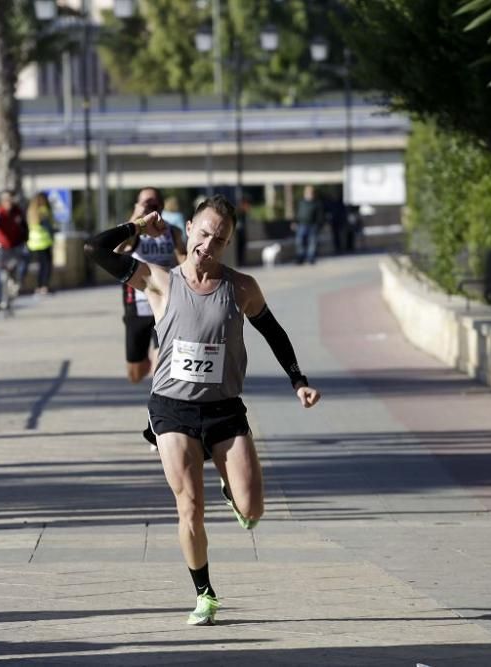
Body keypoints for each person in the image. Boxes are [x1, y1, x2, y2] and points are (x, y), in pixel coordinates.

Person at [84, 195, 321, 626]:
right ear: (189, 228)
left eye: (220, 239)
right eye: (205, 232)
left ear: (228, 243)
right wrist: (137, 226)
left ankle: (234, 493)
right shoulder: (159, 281)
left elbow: (274, 332)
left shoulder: (242, 287)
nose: (209, 244)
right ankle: (204, 593)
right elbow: (94, 250)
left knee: (253, 511)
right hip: (172, 410)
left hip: (224, 409)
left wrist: (298, 381)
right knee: (189, 505)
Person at [117, 187, 186, 384]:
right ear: (137, 205)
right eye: (146, 203)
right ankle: (143, 362)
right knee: (135, 374)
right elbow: (116, 250)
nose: (150, 207)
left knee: (161, 366)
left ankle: (160, 392)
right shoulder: (131, 231)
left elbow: (184, 260)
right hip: (137, 304)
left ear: (162, 207)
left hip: (165, 304)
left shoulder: (172, 232)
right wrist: (136, 219)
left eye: (154, 204)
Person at [0, 190, 29, 309]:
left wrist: (26, 241)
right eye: (5, 200)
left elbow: (25, 228)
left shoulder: (18, 212)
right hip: (2, 246)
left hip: (16, 245)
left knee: (24, 260)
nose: (8, 202)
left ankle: (17, 284)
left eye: (10, 199)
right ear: (1, 201)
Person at [26, 192, 55, 295]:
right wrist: (54, 232)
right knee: (47, 265)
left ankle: (38, 286)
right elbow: (47, 226)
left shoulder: (31, 212)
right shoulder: (43, 211)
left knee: (40, 266)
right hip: (44, 242)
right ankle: (45, 286)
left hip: (34, 243)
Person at [293, 185, 324, 265]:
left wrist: (319, 225)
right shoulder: (301, 202)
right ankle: (300, 257)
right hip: (302, 224)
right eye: (307, 192)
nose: (309, 193)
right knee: (299, 241)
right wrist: (294, 222)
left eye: (311, 192)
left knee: (312, 242)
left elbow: (320, 216)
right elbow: (297, 213)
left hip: (313, 225)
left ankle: (311, 258)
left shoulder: (317, 203)